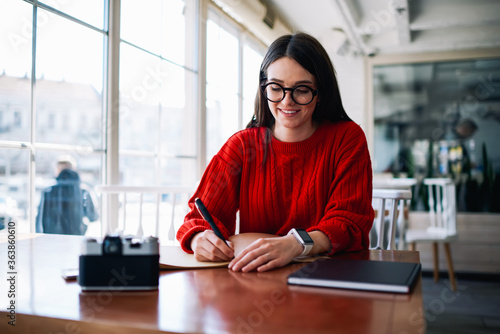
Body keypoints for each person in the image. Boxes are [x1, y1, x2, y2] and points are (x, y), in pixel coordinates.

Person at [176, 32, 374, 272]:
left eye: (301, 89)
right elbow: (198, 218)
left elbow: (349, 223)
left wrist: (295, 244)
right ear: (264, 89)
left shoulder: (347, 138)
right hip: (255, 279)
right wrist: (199, 239)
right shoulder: (241, 146)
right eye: (276, 87)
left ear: (320, 93)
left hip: (328, 277)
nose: (287, 101)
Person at [36, 156, 98, 235]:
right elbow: (93, 217)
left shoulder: (48, 191)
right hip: (76, 237)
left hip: (53, 239)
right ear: (74, 170)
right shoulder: (83, 190)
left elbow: (39, 222)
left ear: (56, 171)